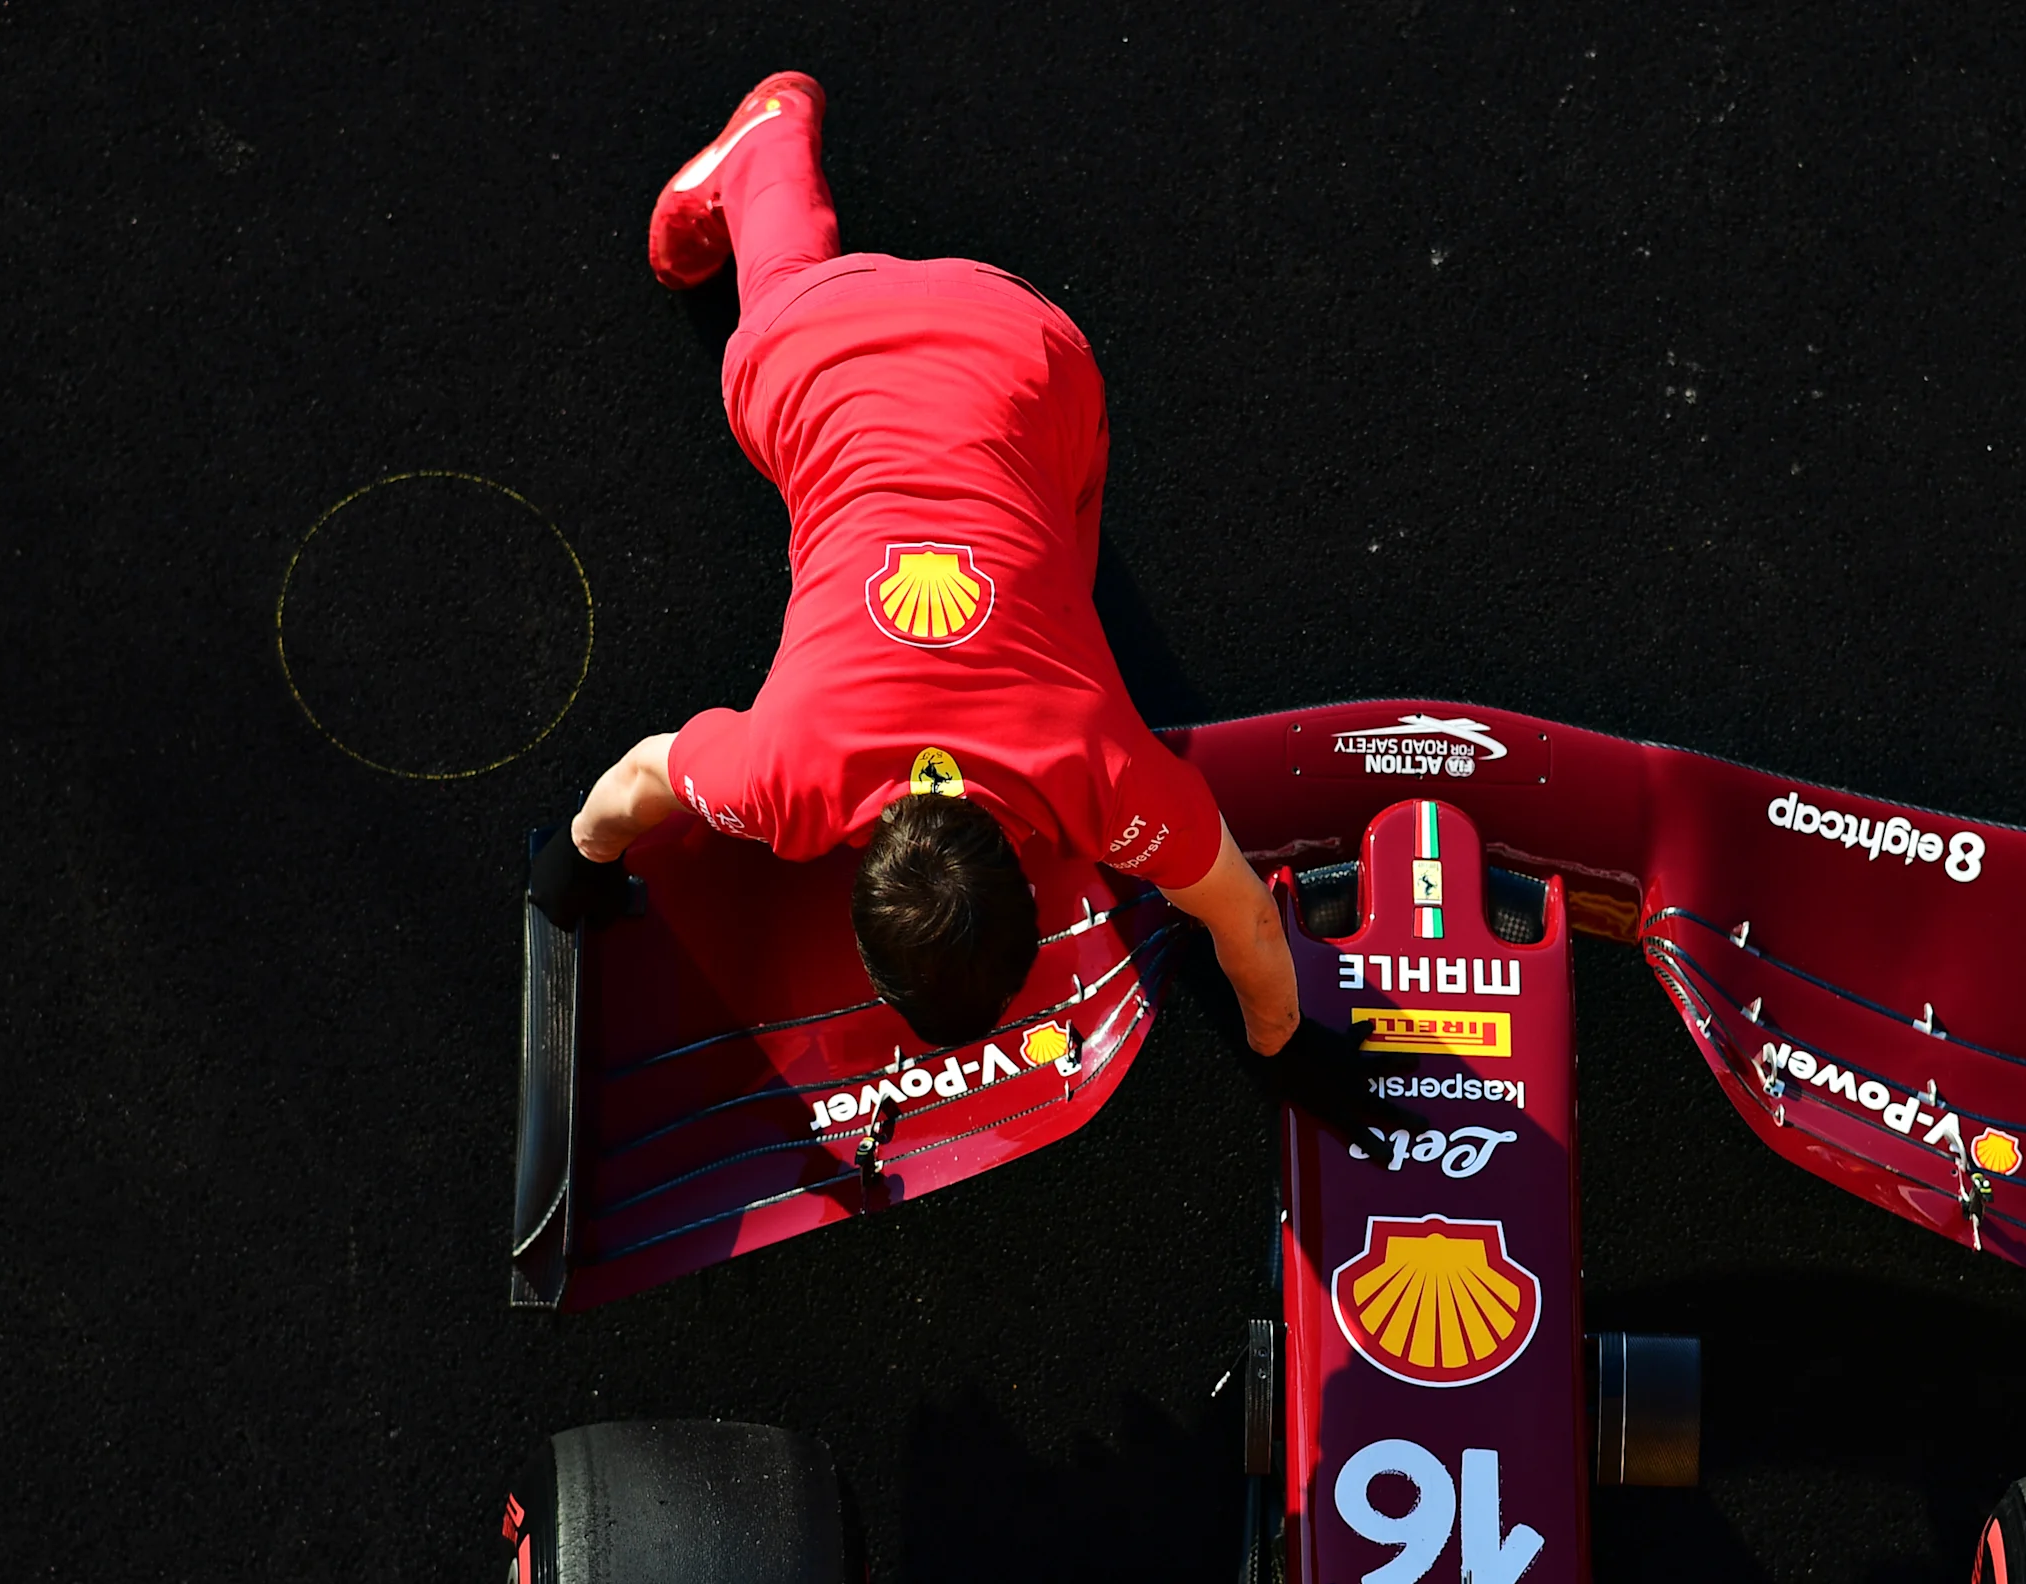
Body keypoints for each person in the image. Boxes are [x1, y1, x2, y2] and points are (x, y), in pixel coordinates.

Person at [531, 72, 1407, 1134]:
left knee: (1059, 535)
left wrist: (1288, 1041)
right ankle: (764, 145)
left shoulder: (1103, 776)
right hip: (865, 347)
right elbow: (633, 781)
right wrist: (573, 859)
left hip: (1027, 345)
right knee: (777, 309)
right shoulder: (781, 781)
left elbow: (1248, 929)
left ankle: (769, 139)